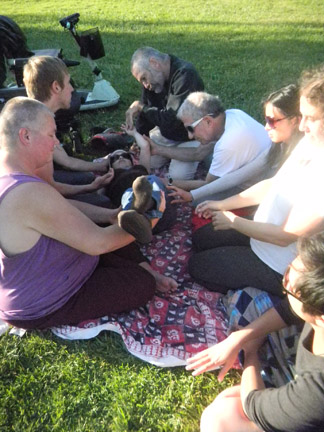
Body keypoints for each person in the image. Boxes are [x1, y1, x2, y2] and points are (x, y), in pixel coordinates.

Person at [0, 97, 177, 330]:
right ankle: (145, 272)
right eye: (51, 135)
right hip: (41, 304)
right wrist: (151, 219)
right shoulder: (27, 193)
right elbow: (98, 243)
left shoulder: (13, 176)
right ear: (26, 136)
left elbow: (61, 208)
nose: (55, 143)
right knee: (141, 284)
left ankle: (139, 262)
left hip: (39, 275)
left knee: (108, 226)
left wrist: (110, 215)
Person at [188, 69, 324, 297]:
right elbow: (274, 184)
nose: (302, 126)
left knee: (197, 267)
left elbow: (283, 236)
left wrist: (234, 222)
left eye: (311, 118)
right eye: (302, 116)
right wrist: (223, 205)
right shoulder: (311, 142)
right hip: (259, 234)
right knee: (201, 239)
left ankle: (266, 296)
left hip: (276, 263)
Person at [186, 231, 324, 432]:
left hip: (307, 407)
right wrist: (239, 337)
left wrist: (250, 352)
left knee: (221, 418)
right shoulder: (317, 312)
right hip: (303, 389)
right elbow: (289, 311)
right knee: (254, 301)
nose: (284, 285)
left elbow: (253, 406)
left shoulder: (315, 393)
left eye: (288, 283)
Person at [168, 84, 302, 205]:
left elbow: (262, 189)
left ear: (295, 121)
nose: (266, 127)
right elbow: (238, 176)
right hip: (260, 190)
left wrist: (180, 189)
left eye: (272, 121)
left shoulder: (303, 155)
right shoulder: (277, 145)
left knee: (199, 204)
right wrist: (192, 195)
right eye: (266, 120)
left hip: (267, 201)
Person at [23, 55, 112, 202]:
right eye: (69, 83)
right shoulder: (39, 125)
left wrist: (101, 166)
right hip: (28, 197)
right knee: (103, 203)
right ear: (56, 87)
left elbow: (66, 161)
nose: (72, 89)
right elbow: (49, 188)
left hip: (32, 188)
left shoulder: (36, 113)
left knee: (89, 178)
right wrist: (89, 188)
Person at [148, 91, 271, 187]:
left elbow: (208, 186)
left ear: (207, 121)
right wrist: (158, 149)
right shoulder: (233, 114)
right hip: (266, 170)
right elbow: (198, 153)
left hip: (257, 187)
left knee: (198, 202)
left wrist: (166, 182)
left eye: (190, 129)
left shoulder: (227, 144)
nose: (190, 136)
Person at [125, 47, 204, 179]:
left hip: (190, 136)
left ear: (154, 63)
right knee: (146, 161)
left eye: (144, 78)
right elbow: (147, 110)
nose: (145, 85)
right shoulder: (154, 79)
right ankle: (167, 154)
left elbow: (172, 120)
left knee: (177, 177)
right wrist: (138, 136)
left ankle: (202, 154)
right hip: (167, 135)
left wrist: (141, 107)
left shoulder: (185, 75)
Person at [102, 126, 177, 235]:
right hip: (137, 217)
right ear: (109, 166)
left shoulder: (141, 168)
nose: (121, 158)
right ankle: (139, 211)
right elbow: (99, 199)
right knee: (128, 194)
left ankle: (144, 205)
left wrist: (134, 133)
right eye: (115, 158)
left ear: (132, 161)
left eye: (124, 155)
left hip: (162, 214)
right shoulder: (107, 178)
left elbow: (145, 146)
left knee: (152, 181)